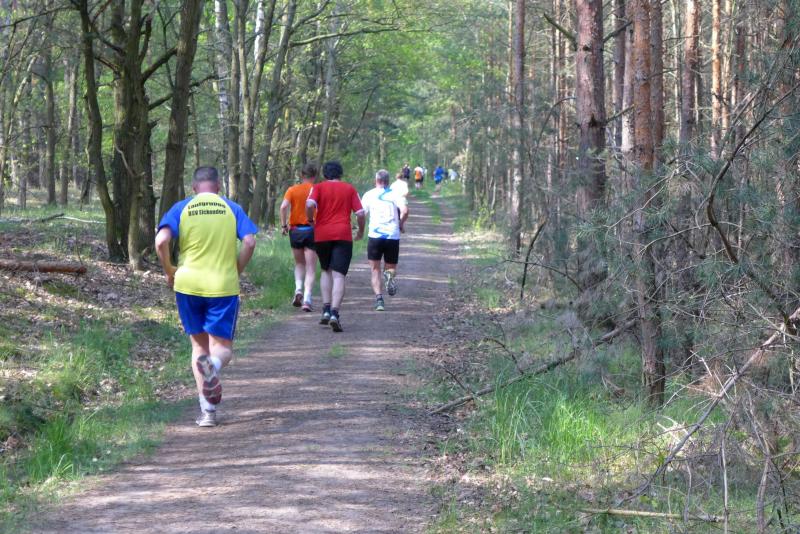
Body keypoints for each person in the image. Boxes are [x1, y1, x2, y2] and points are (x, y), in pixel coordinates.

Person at [155, 166, 257, 428]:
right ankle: (213, 365)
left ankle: (208, 413)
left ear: (194, 188)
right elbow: (249, 242)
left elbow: (161, 241)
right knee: (221, 348)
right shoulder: (232, 208)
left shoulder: (182, 208)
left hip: (187, 284)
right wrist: (237, 269)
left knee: (198, 347)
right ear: (218, 187)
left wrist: (169, 270)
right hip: (222, 285)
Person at [305, 160, 365, 332]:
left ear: (325, 174)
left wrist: (310, 219)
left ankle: (325, 309)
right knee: (339, 276)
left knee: (326, 270)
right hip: (343, 235)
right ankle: (334, 313)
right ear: (340, 173)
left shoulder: (318, 188)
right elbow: (360, 213)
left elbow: (309, 204)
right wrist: (361, 231)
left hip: (322, 234)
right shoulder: (349, 189)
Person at [361, 170, 409, 311]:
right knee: (390, 268)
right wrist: (401, 224)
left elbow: (361, 213)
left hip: (375, 237)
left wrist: (359, 229)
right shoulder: (395, 194)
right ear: (388, 181)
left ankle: (379, 300)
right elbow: (405, 211)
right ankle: (389, 276)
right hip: (392, 236)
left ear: (376, 180)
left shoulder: (369, 194)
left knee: (375, 269)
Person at [280, 162, 318, 312]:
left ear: (301, 175)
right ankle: (307, 299)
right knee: (311, 267)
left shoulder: (292, 190)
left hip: (295, 231)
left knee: (299, 264)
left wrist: (284, 225)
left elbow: (283, 207)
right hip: (312, 230)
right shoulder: (317, 189)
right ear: (315, 176)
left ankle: (298, 289)